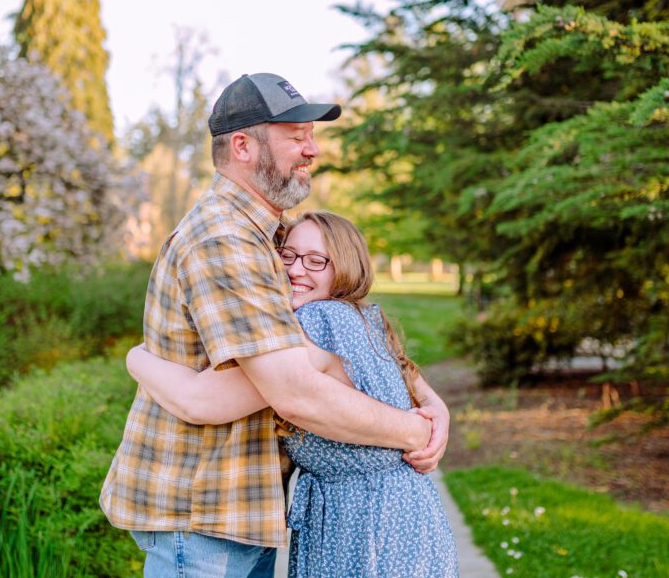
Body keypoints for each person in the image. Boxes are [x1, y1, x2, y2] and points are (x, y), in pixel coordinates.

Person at [99, 73, 450, 578]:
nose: (312, 149)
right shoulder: (226, 239)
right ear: (242, 145)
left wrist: (433, 405)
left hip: (243, 513)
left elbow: (359, 338)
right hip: (204, 519)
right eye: (295, 135)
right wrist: (415, 431)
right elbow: (295, 392)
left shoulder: (268, 238)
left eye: (311, 135)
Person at [128, 211, 459, 577]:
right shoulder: (364, 317)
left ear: (347, 266)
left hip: (365, 524)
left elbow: (202, 400)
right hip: (404, 513)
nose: (296, 270)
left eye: (316, 261)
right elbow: (410, 380)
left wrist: (136, 358)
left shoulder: (315, 321)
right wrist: (435, 410)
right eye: (287, 255)